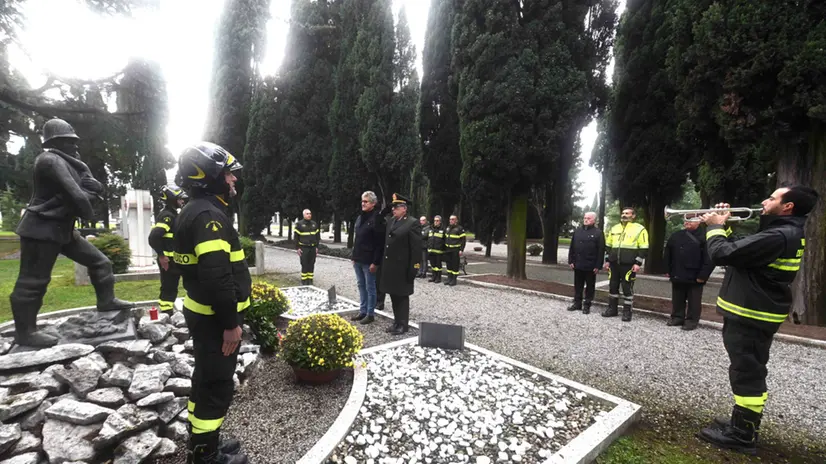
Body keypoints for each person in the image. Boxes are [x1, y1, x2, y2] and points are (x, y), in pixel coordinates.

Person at [697, 186, 818, 455]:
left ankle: (742, 434)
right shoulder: (781, 232)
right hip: (753, 309)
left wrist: (715, 227)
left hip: (752, 312)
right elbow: (742, 253)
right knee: (747, 368)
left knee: (746, 371)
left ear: (787, 207)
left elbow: (722, 254)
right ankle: (743, 422)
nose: (765, 200)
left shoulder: (779, 235)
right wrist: (725, 226)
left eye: (773, 198)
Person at [10, 118, 134, 347]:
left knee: (101, 263)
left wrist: (90, 191)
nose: (75, 146)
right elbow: (76, 195)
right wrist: (89, 211)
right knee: (33, 281)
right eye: (70, 141)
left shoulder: (70, 162)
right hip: (41, 229)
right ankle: (25, 332)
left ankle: (106, 302)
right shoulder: (49, 160)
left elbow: (90, 187)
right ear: (56, 142)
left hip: (62, 228)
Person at [174, 142, 250, 464]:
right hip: (216, 321)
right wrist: (231, 325)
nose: (233, 181)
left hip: (203, 314)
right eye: (229, 174)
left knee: (204, 377)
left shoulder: (195, 209)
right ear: (211, 177)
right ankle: (206, 455)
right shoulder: (209, 217)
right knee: (217, 384)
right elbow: (218, 278)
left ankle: (203, 441)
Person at [379, 193, 422, 335]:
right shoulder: (391, 221)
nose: (393, 209)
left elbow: (416, 249)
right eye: (393, 207)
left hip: (403, 268)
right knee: (393, 295)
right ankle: (396, 322)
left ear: (404, 208)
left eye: (396, 207)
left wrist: (414, 268)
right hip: (391, 268)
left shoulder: (412, 223)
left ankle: (403, 324)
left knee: (402, 297)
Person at [663, 214, 714, 330]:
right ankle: (677, 317)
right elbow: (668, 254)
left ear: (699, 221)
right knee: (677, 298)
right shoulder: (676, 235)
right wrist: (667, 269)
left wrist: (703, 275)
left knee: (694, 300)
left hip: (695, 275)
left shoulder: (705, 237)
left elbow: (709, 258)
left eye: (690, 220)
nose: (687, 222)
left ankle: (691, 321)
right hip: (677, 272)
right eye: (685, 219)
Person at [602, 207, 648, 321]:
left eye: (627, 213)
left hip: (628, 264)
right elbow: (608, 246)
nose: (624, 215)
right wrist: (607, 260)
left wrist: (638, 263)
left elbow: (644, 247)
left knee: (627, 288)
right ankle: (612, 309)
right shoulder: (614, 228)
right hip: (614, 264)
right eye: (623, 213)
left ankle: (627, 312)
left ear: (633, 216)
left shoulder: (640, 229)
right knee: (613, 286)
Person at [148, 185, 187, 314]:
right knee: (169, 287)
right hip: (169, 261)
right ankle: (166, 312)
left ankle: (168, 311)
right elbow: (154, 237)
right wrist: (162, 256)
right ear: (172, 199)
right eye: (180, 199)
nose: (182, 202)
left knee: (172, 287)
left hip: (174, 260)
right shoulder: (167, 216)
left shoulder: (173, 215)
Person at [350, 191, 386, 325]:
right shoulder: (361, 217)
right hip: (358, 258)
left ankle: (370, 313)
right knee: (361, 285)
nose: (363, 204)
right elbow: (357, 238)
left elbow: (379, 243)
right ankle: (363, 310)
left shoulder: (377, 218)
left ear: (373, 203)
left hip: (369, 260)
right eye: (362, 201)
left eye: (366, 201)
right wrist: (354, 255)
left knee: (370, 287)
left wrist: (375, 262)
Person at [567, 212, 605, 314]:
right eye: (584, 218)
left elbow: (601, 250)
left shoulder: (598, 233)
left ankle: (587, 304)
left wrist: (598, 265)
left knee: (590, 286)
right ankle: (577, 303)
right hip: (578, 263)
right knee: (578, 285)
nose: (586, 220)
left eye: (588, 218)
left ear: (594, 220)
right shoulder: (578, 231)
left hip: (590, 265)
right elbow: (572, 247)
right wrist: (571, 260)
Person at [295, 209, 320, 285]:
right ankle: (304, 280)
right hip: (304, 248)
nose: (309, 215)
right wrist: (297, 248)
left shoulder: (314, 224)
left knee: (311, 264)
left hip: (312, 248)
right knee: (304, 264)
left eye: (310, 213)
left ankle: (310, 279)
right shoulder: (299, 224)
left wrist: (316, 247)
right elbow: (296, 237)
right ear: (304, 215)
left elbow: (317, 236)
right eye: (307, 214)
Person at [443, 215, 466, 286]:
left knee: (455, 265)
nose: (451, 220)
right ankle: (449, 278)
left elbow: (463, 240)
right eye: (450, 219)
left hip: (455, 250)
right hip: (448, 249)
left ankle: (454, 279)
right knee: (448, 265)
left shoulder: (460, 229)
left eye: (453, 219)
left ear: (456, 220)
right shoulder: (448, 228)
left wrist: (461, 250)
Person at [427, 215, 446, 283]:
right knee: (433, 265)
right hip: (431, 250)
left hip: (439, 251)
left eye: (437, 221)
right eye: (435, 220)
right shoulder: (430, 228)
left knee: (438, 266)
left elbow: (445, 240)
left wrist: (443, 249)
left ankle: (438, 277)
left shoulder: (443, 229)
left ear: (440, 222)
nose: (436, 222)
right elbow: (428, 239)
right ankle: (433, 276)